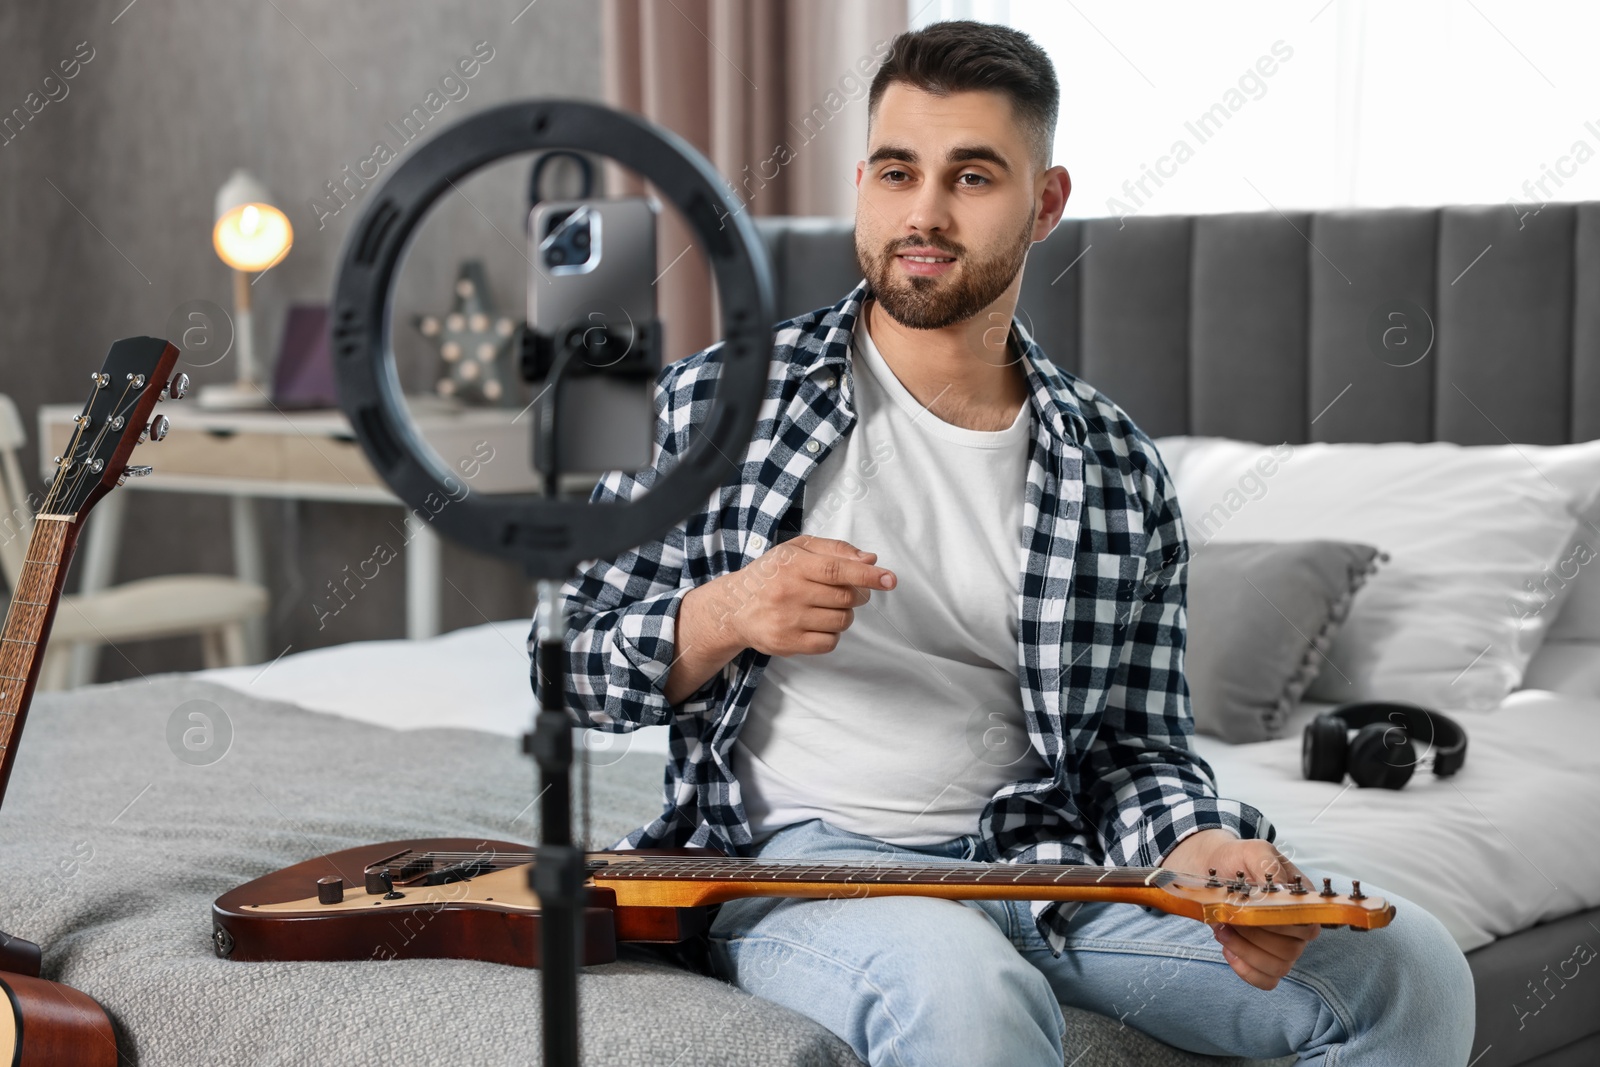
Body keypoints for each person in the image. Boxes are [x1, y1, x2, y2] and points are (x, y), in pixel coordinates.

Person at [541, 18, 1475, 1066]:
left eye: (972, 176)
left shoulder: (1115, 467)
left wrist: (1199, 845)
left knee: (1410, 972)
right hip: (811, 870)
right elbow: (559, 659)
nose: (924, 212)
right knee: (967, 995)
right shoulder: (717, 398)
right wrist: (722, 612)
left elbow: (1134, 744)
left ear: (1046, 203)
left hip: (1055, 870)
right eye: (897, 171)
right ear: (863, 182)